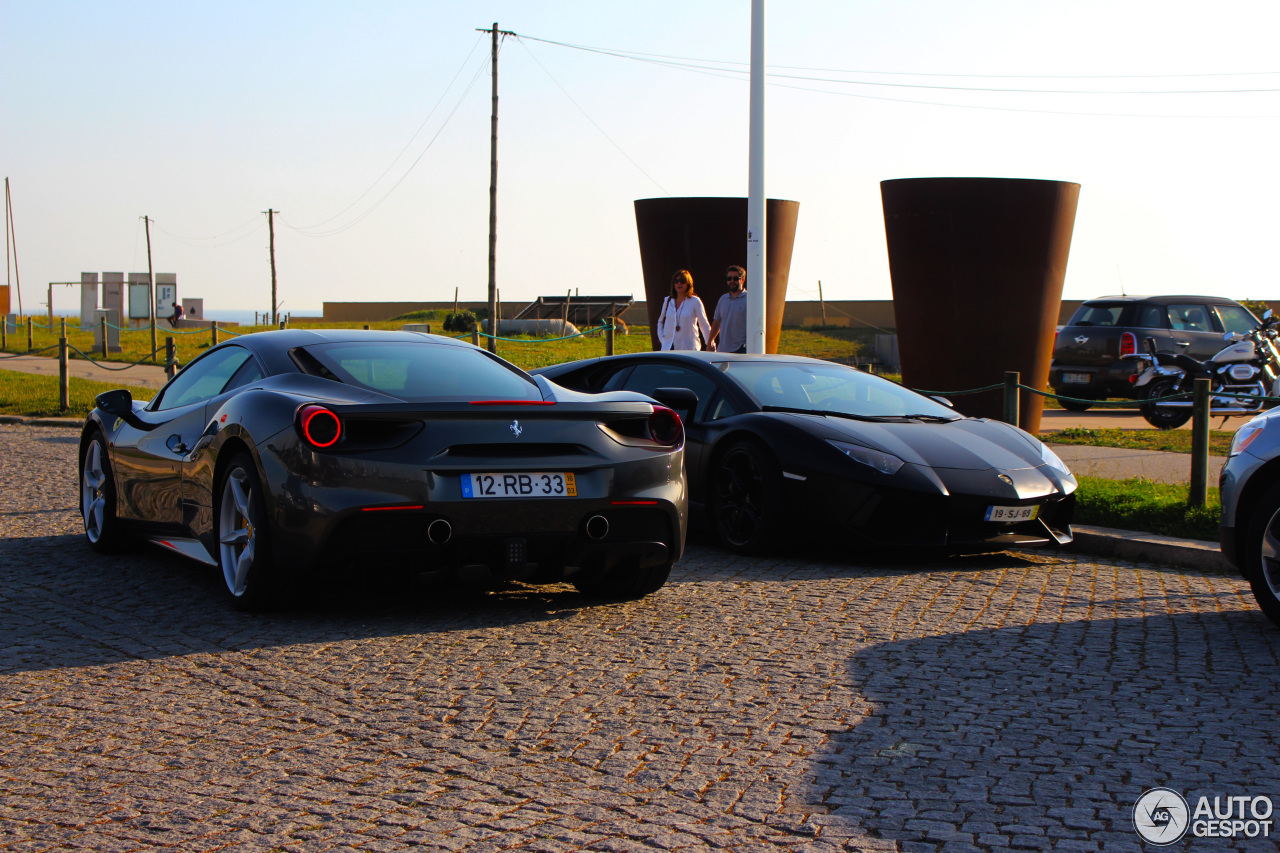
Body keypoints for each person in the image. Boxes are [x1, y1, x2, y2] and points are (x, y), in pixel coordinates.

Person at [656, 269, 712, 351]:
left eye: (682, 281)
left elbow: (704, 324)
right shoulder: (668, 301)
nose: (679, 283)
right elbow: (660, 321)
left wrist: (710, 343)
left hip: (689, 348)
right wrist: (663, 339)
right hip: (668, 348)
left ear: (688, 283)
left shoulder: (695, 301)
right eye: (676, 281)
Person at [708, 264, 748, 354]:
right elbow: (716, 322)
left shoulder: (749, 299)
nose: (732, 281)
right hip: (722, 350)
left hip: (741, 350)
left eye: (735, 278)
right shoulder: (723, 299)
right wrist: (710, 340)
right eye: (729, 279)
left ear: (742, 280)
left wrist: (746, 344)